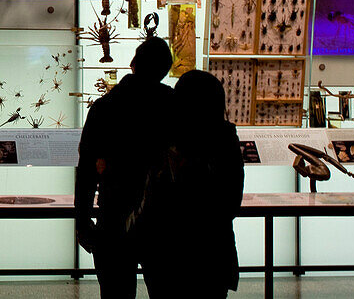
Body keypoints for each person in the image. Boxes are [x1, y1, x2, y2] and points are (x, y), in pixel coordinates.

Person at [76, 36, 175, 298]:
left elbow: (86, 170)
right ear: (165, 69)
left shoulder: (105, 107)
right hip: (163, 222)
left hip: (114, 217)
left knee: (116, 294)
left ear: (133, 63)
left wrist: (83, 221)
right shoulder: (173, 106)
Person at [139, 69, 245, 298]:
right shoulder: (225, 139)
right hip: (212, 251)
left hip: (165, 251)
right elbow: (231, 201)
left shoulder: (163, 137)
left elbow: (152, 197)